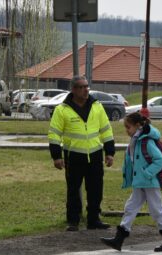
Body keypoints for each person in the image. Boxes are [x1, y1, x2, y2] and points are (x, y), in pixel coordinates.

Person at [101, 111, 162, 252]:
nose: (126, 131)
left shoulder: (146, 141)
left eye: (128, 127)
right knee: (130, 208)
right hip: (140, 183)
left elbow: (159, 160)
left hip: (149, 182)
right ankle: (119, 239)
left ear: (137, 125)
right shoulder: (136, 140)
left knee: (157, 210)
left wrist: (147, 173)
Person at [48, 75, 115, 231]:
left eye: (87, 86)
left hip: (95, 154)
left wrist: (110, 152)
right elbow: (54, 134)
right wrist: (56, 156)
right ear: (73, 89)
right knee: (73, 190)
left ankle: (93, 220)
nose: (86, 90)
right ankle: (73, 221)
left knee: (96, 189)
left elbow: (106, 130)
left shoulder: (97, 106)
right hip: (73, 156)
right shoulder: (61, 110)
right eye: (82, 87)